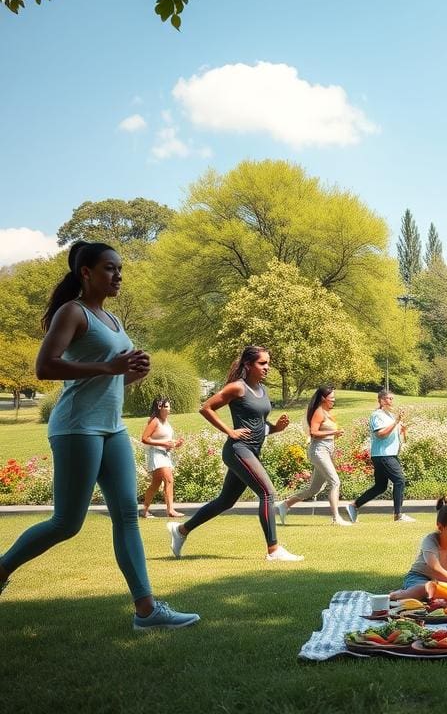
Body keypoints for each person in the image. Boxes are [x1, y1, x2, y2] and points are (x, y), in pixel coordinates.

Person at [0, 241, 199, 630]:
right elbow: (45, 367)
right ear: (86, 272)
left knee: (126, 514)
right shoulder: (72, 313)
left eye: (120, 269)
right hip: (77, 428)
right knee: (67, 523)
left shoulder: (113, 320)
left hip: (111, 427)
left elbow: (108, 381)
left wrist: (128, 375)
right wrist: (109, 367)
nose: (118, 275)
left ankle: (146, 611)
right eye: (110, 268)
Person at [167, 346, 303, 561]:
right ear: (248, 365)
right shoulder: (237, 388)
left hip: (252, 451)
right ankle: (274, 550)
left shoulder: (262, 390)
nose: (267, 367)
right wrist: (229, 431)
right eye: (262, 363)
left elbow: (258, 424)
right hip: (238, 450)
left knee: (225, 501)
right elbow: (206, 408)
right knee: (268, 493)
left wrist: (276, 428)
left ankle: (181, 530)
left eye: (268, 363)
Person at [276, 385, 351, 526]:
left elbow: (327, 435)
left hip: (326, 450)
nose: (334, 400)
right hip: (318, 451)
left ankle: (285, 505)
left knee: (314, 489)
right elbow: (314, 432)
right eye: (331, 398)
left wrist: (336, 435)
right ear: (323, 398)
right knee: (335, 482)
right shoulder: (319, 412)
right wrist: (333, 433)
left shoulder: (328, 413)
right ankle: (336, 518)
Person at [345, 389, 413, 523]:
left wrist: (403, 431)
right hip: (384, 455)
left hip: (389, 455)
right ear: (381, 400)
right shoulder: (377, 415)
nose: (391, 401)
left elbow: (402, 439)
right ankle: (398, 515)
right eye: (388, 398)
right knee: (399, 480)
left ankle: (354, 506)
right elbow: (380, 434)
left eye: (392, 399)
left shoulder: (390, 416)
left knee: (380, 486)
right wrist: (396, 423)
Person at [140, 397, 185, 519]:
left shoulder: (167, 423)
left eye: (166, 406)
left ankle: (144, 511)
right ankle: (170, 510)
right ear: (157, 408)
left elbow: (166, 441)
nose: (164, 408)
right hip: (156, 454)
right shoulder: (155, 421)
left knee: (155, 484)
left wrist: (176, 443)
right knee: (169, 479)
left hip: (165, 455)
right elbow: (144, 438)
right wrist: (163, 444)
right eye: (161, 406)